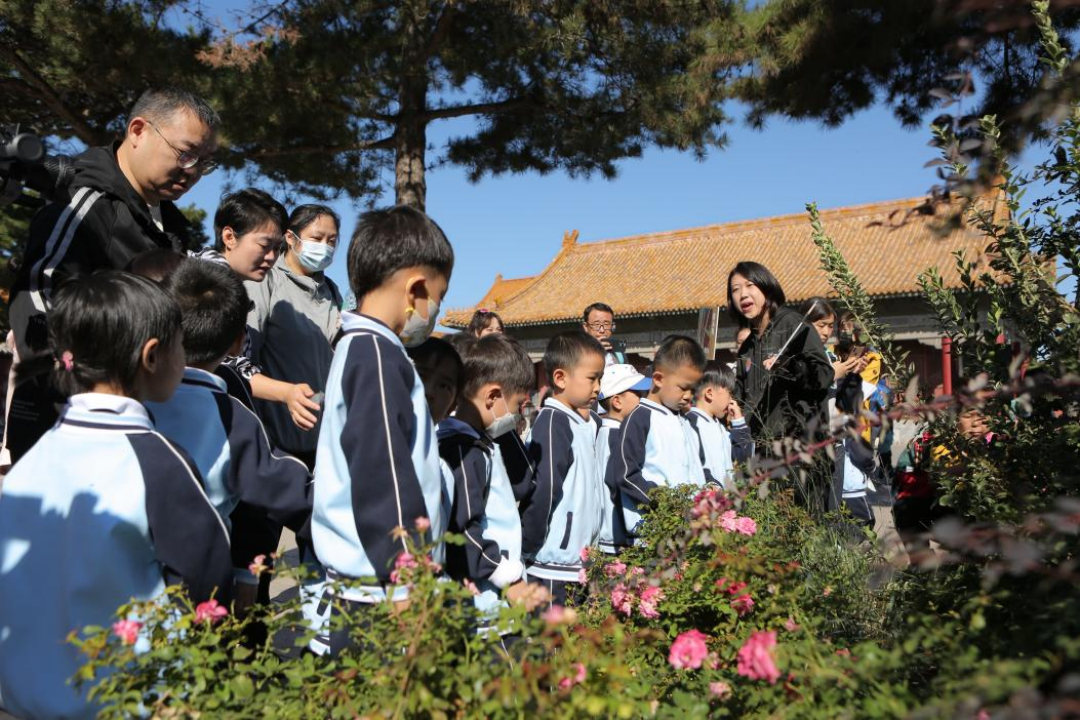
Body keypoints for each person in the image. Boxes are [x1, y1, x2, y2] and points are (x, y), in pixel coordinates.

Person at [0, 272, 232, 719]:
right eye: (181, 345)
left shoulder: (34, 457)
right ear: (152, 355)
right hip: (123, 698)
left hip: (21, 693)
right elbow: (206, 573)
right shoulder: (158, 460)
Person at [5, 88, 219, 463]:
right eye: (186, 153)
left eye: (204, 163)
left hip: (133, 426)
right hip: (69, 425)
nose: (193, 172)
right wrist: (75, 389)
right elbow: (37, 300)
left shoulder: (172, 228)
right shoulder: (84, 200)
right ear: (138, 131)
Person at [308, 205, 453, 655]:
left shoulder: (363, 347)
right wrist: (406, 573)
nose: (435, 311)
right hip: (381, 589)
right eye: (439, 297)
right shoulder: (375, 354)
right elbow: (383, 469)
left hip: (374, 582)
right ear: (417, 289)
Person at [143, 259, 314, 613]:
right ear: (238, 343)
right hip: (199, 591)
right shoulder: (231, 415)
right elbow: (285, 494)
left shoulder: (129, 394)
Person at [438, 334, 545, 635]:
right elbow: (460, 530)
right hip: (482, 605)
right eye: (517, 405)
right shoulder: (463, 450)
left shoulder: (478, 443)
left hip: (492, 596)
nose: (518, 414)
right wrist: (507, 576)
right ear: (492, 397)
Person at [246, 204, 345, 470]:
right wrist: (284, 393)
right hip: (274, 446)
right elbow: (242, 363)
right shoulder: (265, 280)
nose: (324, 246)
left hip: (322, 448)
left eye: (331, 241)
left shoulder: (331, 291)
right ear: (290, 238)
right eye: (316, 238)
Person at [520, 331, 606, 606]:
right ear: (560, 378)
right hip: (552, 565)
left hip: (576, 563)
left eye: (600, 379)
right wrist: (529, 546)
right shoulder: (553, 423)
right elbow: (545, 489)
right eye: (592, 378)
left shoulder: (581, 423)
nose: (598, 387)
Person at [729, 262, 833, 447]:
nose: (743, 294)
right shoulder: (746, 347)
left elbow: (823, 375)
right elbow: (740, 395)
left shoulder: (793, 324)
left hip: (799, 446)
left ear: (767, 287)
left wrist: (790, 365)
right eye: (735, 289)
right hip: (761, 448)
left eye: (750, 285)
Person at [617, 335, 708, 536]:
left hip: (692, 529)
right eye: (683, 388)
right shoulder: (640, 418)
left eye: (693, 389)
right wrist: (665, 502)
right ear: (658, 379)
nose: (688, 396)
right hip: (655, 531)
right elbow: (625, 475)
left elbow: (700, 467)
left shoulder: (687, 421)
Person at [595, 364, 651, 555]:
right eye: (638, 393)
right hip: (619, 539)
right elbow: (620, 482)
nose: (643, 399)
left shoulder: (609, 432)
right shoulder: (616, 436)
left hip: (615, 536)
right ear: (617, 402)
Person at [686, 363, 753, 489]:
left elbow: (744, 459)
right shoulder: (690, 424)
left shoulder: (720, 426)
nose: (731, 400)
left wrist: (739, 424)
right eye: (729, 393)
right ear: (710, 393)